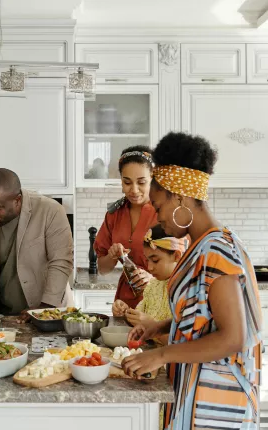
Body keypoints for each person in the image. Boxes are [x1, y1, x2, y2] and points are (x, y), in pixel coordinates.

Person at [122, 132, 262, 429]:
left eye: (158, 206)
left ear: (181, 198)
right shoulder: (202, 246)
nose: (156, 217)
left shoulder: (216, 251)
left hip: (218, 404)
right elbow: (202, 318)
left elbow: (233, 337)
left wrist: (161, 354)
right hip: (197, 389)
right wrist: (160, 327)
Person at [0, 168, 73, 321]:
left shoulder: (51, 211)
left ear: (17, 200)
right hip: (5, 315)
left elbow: (61, 262)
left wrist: (44, 309)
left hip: (50, 312)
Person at [93, 146, 158, 313]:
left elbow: (181, 266)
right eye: (127, 182)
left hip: (159, 300)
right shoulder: (114, 214)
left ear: (153, 178)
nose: (134, 190)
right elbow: (103, 268)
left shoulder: (164, 213)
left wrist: (153, 280)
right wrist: (112, 256)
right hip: (125, 303)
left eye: (142, 182)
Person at [114, 225, 189, 344]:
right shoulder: (153, 286)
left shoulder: (188, 290)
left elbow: (187, 344)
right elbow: (140, 321)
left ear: (177, 256)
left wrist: (153, 326)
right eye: (147, 260)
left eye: (155, 260)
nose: (149, 267)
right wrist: (126, 312)